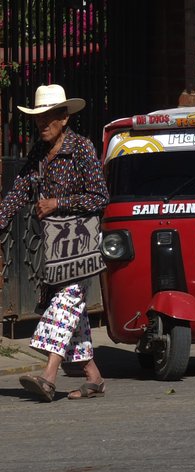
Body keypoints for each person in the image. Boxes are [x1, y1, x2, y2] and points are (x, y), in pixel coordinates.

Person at [0, 84, 109, 401]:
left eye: (48, 118)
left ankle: (48, 377)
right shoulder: (37, 154)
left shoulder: (82, 149)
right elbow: (18, 192)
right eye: (38, 119)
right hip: (53, 248)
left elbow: (100, 197)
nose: (42, 124)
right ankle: (94, 377)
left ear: (63, 118)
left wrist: (57, 203)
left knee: (65, 303)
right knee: (69, 308)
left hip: (80, 246)